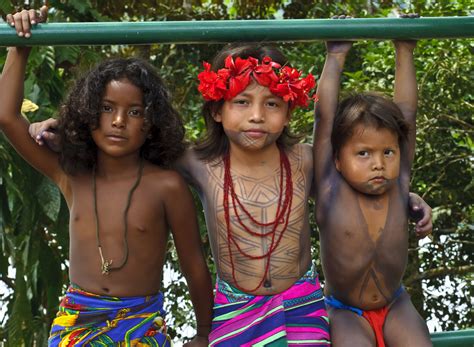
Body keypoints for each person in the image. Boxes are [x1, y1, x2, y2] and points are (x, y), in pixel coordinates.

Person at [30, 42, 433, 346]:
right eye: (242, 102)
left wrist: (409, 200)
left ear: (289, 110)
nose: (257, 115)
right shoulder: (196, 163)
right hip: (233, 307)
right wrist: (70, 133)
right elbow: (129, 146)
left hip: (301, 301)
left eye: (272, 103)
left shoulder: (306, 160)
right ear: (218, 110)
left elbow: (362, 180)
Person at [1, 7, 213, 346]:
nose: (118, 121)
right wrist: (19, 46)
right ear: (88, 113)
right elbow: (8, 117)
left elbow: (194, 265)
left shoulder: (166, 186)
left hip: (141, 324)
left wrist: (204, 333)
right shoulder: (71, 174)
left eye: (134, 112)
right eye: (106, 108)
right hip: (77, 321)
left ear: (151, 122)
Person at [313, 33, 432, 346]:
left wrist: (404, 48)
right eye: (363, 153)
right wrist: (336, 55)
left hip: (395, 304)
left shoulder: (399, 182)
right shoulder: (330, 189)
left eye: (387, 153)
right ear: (338, 159)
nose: (378, 163)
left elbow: (407, 112)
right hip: (344, 311)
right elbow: (324, 118)